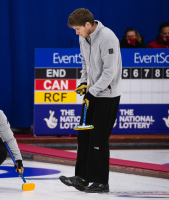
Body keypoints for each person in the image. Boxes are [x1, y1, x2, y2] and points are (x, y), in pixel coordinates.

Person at [59, 8, 121, 193]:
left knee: (98, 139)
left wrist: (92, 91)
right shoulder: (83, 38)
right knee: (84, 137)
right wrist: (84, 83)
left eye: (78, 29)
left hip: (107, 96)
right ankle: (83, 178)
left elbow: (110, 72)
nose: (76, 33)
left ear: (88, 24)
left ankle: (101, 182)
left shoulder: (108, 37)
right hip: (93, 94)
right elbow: (85, 64)